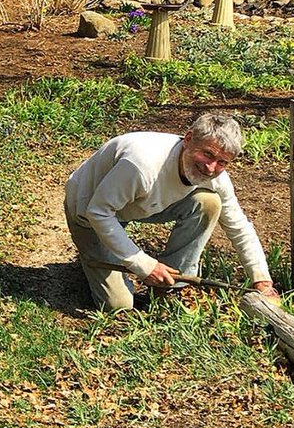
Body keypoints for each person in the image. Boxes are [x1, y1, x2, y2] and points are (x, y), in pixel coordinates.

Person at [64, 112, 279, 312]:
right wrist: (145, 265)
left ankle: (171, 287)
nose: (211, 168)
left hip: (138, 205)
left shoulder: (216, 178)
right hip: (88, 211)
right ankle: (92, 261)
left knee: (208, 203)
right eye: (207, 154)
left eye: (222, 162)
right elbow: (98, 212)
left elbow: (238, 226)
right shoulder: (142, 165)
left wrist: (261, 280)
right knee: (119, 305)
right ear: (188, 139)